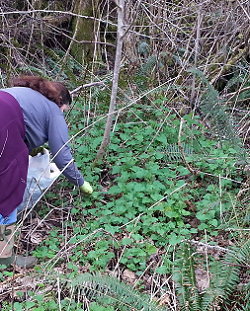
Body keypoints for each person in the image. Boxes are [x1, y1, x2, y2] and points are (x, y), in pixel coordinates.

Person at [0, 76, 93, 268]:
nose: (63, 114)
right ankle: (4, 257)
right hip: (4, 124)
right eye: (64, 111)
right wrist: (81, 183)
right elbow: (62, 156)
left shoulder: (29, 95)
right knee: (8, 190)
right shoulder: (53, 110)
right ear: (61, 102)